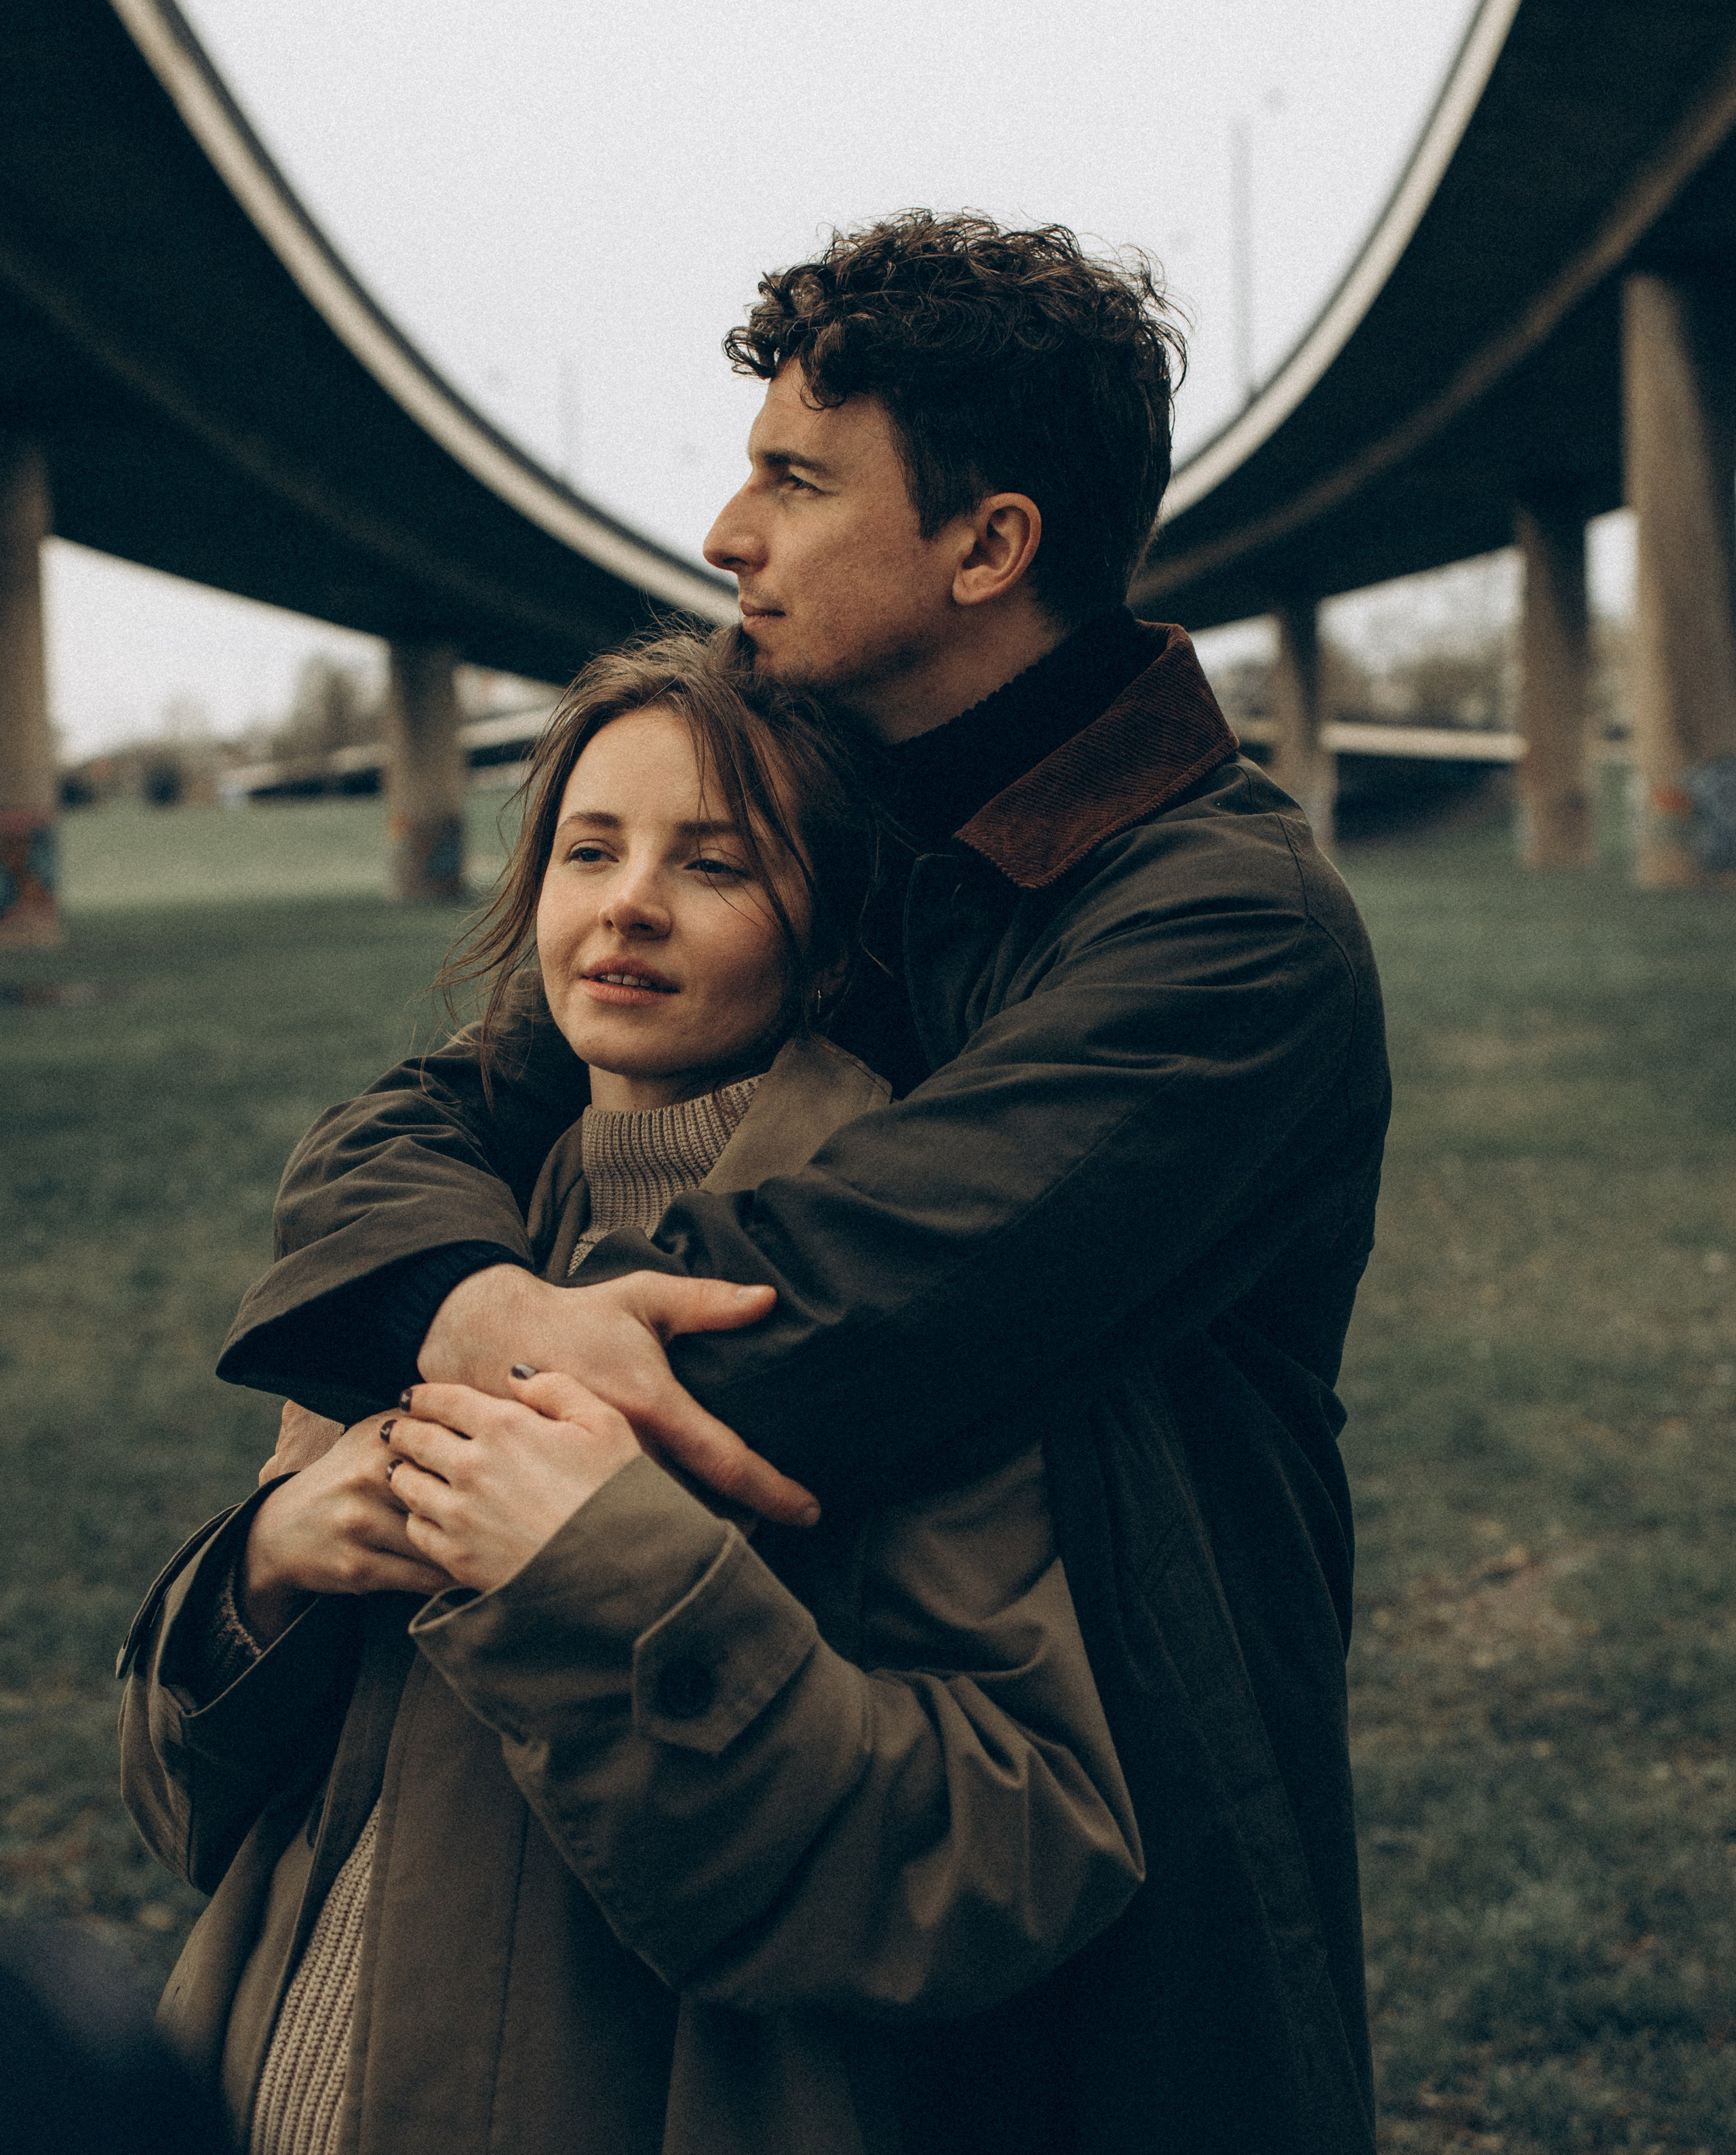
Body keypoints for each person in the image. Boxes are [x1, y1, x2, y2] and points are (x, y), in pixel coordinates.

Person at [218, 210, 1392, 2152]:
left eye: (793, 478)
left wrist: (433, 1396)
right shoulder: (843, 844)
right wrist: (466, 1298)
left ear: (989, 547)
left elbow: (803, 1312)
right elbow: (411, 1120)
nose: (724, 533)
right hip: (794, 1796)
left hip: (1126, 1814)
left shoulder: (1224, 931)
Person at [119, 631, 1143, 2155]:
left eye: (714, 864)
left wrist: (609, 1576)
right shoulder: (431, 1250)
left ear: (830, 929)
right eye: (587, 848)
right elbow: (169, 1800)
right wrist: (263, 1572)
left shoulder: (904, 1272)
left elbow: (1006, 1856)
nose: (626, 905)